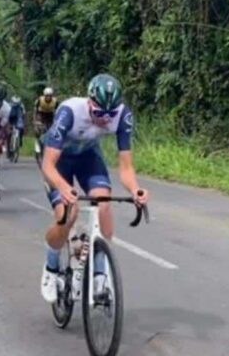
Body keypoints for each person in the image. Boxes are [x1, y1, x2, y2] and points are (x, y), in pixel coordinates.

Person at [39, 74, 150, 303]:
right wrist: (64, 187)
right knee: (68, 213)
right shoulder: (70, 112)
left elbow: (126, 167)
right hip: (58, 160)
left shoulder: (123, 116)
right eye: (99, 114)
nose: (104, 120)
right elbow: (48, 165)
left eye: (110, 115)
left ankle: (100, 275)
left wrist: (135, 190)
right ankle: (51, 267)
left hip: (88, 156)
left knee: (104, 203)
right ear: (89, 103)